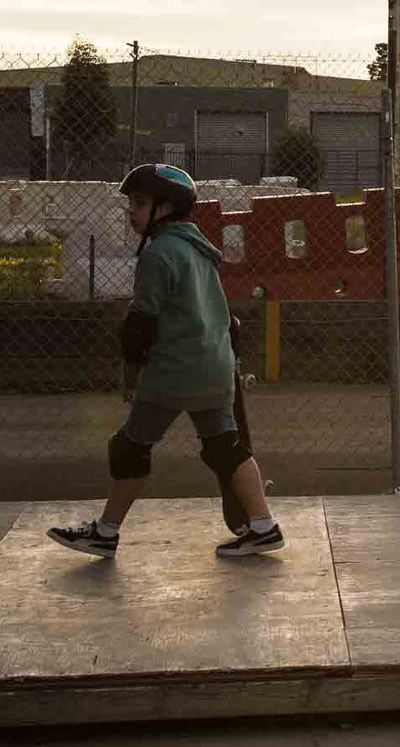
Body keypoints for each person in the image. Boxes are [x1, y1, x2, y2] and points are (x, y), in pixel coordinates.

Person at [48, 164, 284, 559]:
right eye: (131, 203)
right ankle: (263, 526)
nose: (131, 211)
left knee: (130, 447)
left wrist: (130, 375)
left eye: (140, 203)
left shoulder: (158, 255)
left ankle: (105, 532)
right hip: (214, 367)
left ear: (165, 208)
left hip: (174, 373)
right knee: (226, 446)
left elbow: (140, 325)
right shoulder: (199, 247)